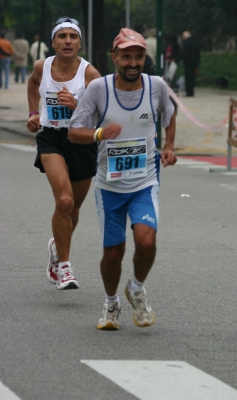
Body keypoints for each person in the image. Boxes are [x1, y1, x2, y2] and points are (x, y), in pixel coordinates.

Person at [68, 28, 177, 330]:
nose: (133, 62)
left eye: (138, 56)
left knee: (146, 241)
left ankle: (137, 288)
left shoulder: (156, 86)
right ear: (114, 57)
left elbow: (169, 116)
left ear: (145, 58)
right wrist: (101, 133)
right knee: (113, 252)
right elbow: (74, 132)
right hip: (108, 186)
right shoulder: (99, 90)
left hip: (145, 181)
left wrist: (168, 146)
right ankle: (111, 302)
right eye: (126, 56)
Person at [26, 16, 101, 290]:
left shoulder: (91, 75)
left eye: (73, 36)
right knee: (65, 201)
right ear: (53, 41)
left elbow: (104, 112)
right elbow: (33, 84)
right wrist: (34, 113)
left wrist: (77, 105)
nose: (67, 41)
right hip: (52, 139)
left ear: (80, 42)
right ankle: (65, 268)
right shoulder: (42, 66)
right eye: (62, 36)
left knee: (73, 208)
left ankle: (56, 246)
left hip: (81, 141)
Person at [179, 31, 200, 97]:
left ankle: (189, 92)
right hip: (195, 63)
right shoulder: (195, 42)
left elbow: (183, 53)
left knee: (188, 78)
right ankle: (191, 91)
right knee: (192, 78)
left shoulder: (187, 43)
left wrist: (177, 59)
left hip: (188, 63)